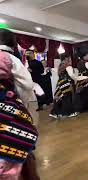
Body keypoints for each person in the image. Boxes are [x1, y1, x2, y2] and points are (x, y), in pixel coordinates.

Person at [0, 28, 39, 180]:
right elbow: (27, 85)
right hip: (5, 106)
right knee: (19, 137)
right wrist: (20, 105)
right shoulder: (11, 59)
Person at [50, 53, 86, 118]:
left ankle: (54, 112)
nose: (70, 59)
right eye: (69, 58)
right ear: (66, 58)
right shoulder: (67, 65)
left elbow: (59, 74)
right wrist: (81, 78)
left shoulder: (61, 64)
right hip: (66, 83)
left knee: (61, 97)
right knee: (67, 98)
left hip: (60, 82)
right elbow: (72, 76)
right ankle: (69, 113)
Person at [74, 48, 88, 113]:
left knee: (82, 93)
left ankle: (82, 107)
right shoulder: (86, 63)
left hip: (80, 80)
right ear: (84, 56)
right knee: (87, 93)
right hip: (86, 80)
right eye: (87, 55)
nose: (87, 56)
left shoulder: (79, 63)